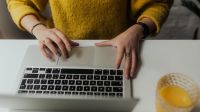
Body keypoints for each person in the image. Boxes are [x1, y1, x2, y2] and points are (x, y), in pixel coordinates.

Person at [7, 0, 173, 79]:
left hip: (119, 50)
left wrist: (138, 30)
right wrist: (39, 29)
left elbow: (158, 3)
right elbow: (18, 2)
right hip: (61, 50)